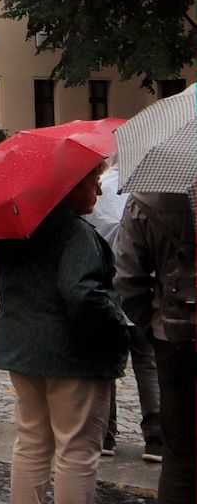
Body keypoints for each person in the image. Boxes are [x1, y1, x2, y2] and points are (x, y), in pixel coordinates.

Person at [0, 163, 130, 504]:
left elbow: (1, 280)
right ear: (69, 187)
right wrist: (118, 322)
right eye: (93, 183)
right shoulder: (76, 233)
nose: (99, 192)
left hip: (23, 350)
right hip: (73, 355)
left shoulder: (15, 231)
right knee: (77, 450)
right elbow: (82, 293)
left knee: (32, 443)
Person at [114, 191, 195, 504]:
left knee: (181, 458)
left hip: (175, 335)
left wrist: (151, 321)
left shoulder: (148, 198)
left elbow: (127, 276)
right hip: (171, 336)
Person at [83, 165, 162, 462]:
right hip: (142, 290)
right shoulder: (149, 189)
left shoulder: (97, 188)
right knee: (148, 364)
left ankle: (105, 434)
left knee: (105, 366)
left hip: (104, 289)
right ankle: (156, 438)